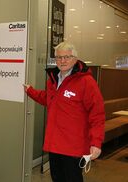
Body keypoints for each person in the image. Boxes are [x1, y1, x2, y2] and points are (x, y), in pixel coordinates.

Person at [23, 42, 105, 182]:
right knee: (57, 178)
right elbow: (49, 99)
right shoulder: (53, 79)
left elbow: (97, 114)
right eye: (59, 57)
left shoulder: (86, 82)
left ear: (75, 58)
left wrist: (96, 142)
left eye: (67, 57)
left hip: (73, 146)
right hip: (54, 144)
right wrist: (30, 91)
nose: (62, 61)